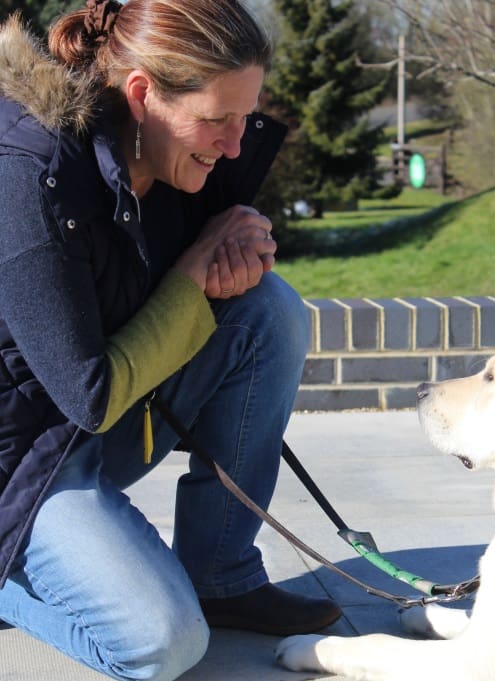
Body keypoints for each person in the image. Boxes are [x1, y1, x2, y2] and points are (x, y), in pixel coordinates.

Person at [0, 1, 342, 679]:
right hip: (22, 463)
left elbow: (202, 286)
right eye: (218, 120)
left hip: (90, 429)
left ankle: (221, 573)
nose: (237, 144)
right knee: (163, 642)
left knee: (268, 308)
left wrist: (239, 242)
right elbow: (89, 398)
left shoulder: (167, 155)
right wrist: (193, 279)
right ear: (141, 95)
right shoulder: (27, 176)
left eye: (245, 116)